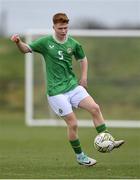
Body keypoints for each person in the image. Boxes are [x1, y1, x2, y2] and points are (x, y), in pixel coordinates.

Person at [11, 13, 124, 167]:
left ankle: (107, 139)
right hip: (56, 92)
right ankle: (80, 157)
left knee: (95, 108)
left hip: (72, 86)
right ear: (54, 27)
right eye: (60, 28)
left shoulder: (73, 43)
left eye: (66, 28)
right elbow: (26, 49)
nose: (63, 31)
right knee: (73, 124)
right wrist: (18, 42)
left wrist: (83, 77)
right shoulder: (45, 42)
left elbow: (83, 59)